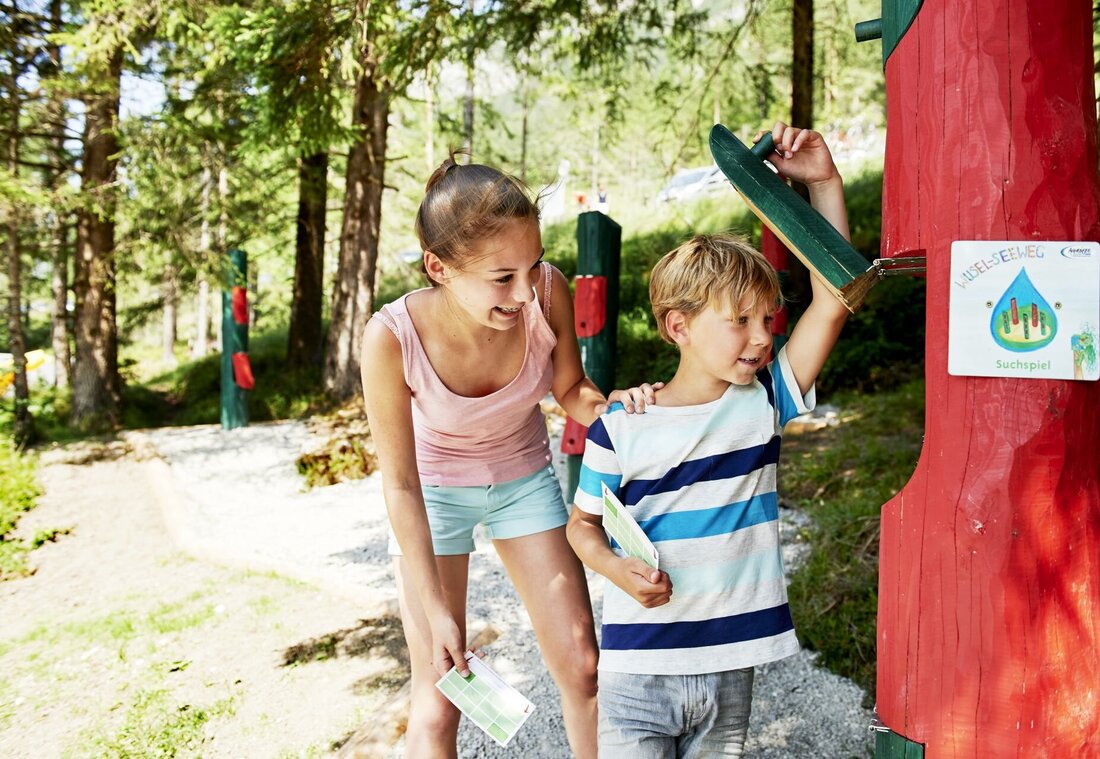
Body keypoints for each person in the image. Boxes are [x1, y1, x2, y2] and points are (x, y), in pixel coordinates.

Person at [566, 121, 851, 758]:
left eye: (768, 321)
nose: (761, 337)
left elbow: (834, 299)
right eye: (740, 321)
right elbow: (581, 528)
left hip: (729, 670)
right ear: (679, 327)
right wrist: (617, 568)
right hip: (635, 671)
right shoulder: (621, 426)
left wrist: (824, 184)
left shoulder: (763, 403)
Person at [359, 154, 656, 758]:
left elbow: (572, 393)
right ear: (438, 267)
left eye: (534, 264)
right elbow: (401, 486)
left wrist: (620, 410)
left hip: (522, 478)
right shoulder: (390, 338)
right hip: (434, 493)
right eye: (502, 278)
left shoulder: (547, 292)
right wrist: (439, 612)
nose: (525, 291)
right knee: (439, 696)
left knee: (583, 666)